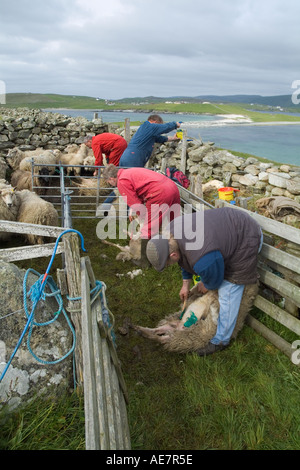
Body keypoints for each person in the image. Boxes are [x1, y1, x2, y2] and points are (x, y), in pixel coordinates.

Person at [145, 207, 263, 356]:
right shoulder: (171, 233)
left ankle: (221, 341)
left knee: (228, 292)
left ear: (172, 254)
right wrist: (185, 284)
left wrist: (206, 284)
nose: (169, 265)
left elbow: (214, 281)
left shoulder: (203, 259)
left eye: (168, 263)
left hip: (247, 237)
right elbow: (184, 258)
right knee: (210, 270)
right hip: (230, 227)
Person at [102, 164, 181, 240]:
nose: (111, 185)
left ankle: (143, 250)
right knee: (175, 224)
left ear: (111, 179)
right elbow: (142, 188)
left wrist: (143, 221)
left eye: (109, 182)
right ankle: (180, 247)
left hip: (160, 193)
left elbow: (137, 206)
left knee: (148, 230)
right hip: (172, 187)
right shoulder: (128, 172)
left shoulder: (122, 181)